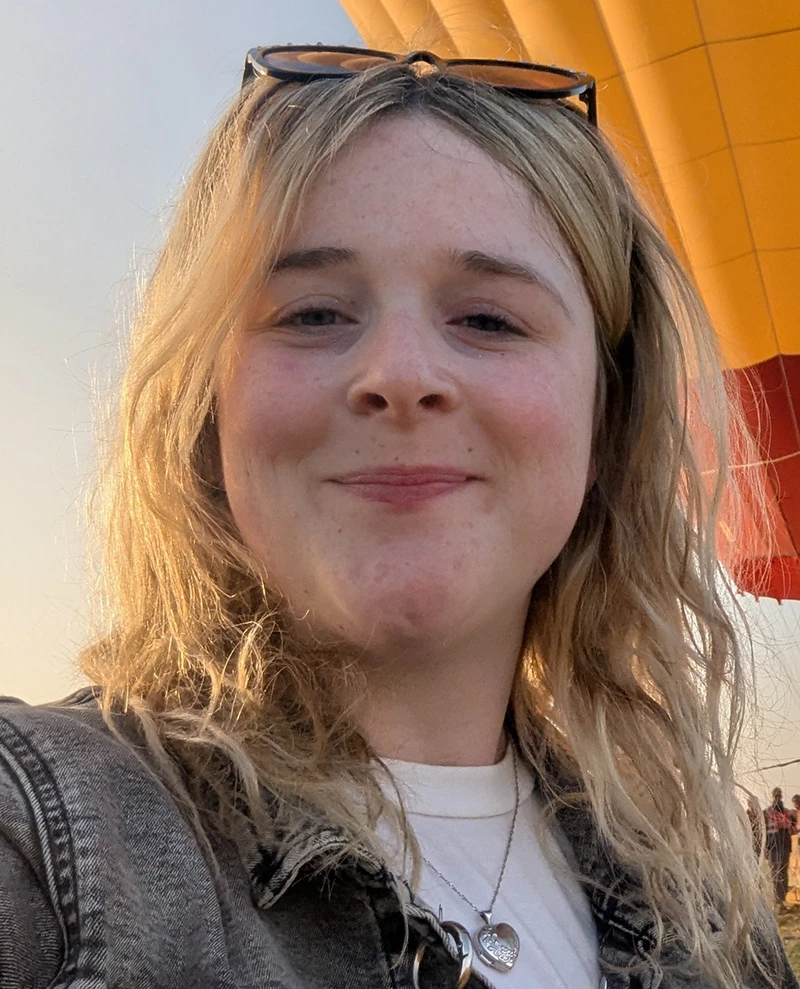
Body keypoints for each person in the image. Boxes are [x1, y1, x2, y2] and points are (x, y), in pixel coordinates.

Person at [0, 44, 795, 989]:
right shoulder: (46, 848)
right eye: (314, 314)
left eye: (490, 319)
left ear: (608, 412)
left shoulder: (707, 908)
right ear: (207, 403)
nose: (401, 377)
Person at [765, 789, 794, 911]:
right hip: (773, 846)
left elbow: (793, 829)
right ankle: (777, 902)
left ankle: (781, 901)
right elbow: (763, 831)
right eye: (775, 796)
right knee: (775, 873)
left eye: (778, 796)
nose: (777, 798)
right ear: (772, 797)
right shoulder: (767, 813)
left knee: (782, 873)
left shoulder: (787, 812)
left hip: (784, 845)